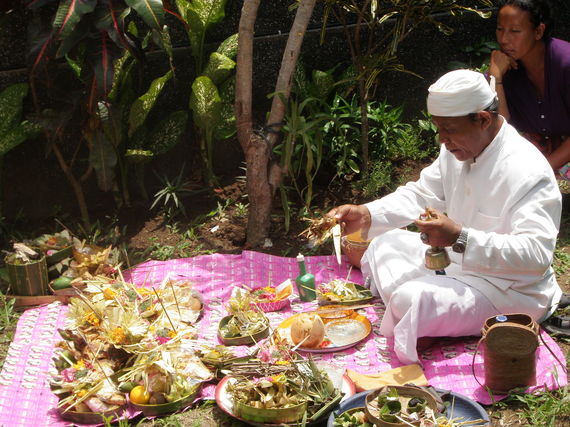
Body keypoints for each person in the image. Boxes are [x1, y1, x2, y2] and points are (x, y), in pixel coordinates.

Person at [328, 69, 562, 365]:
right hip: (454, 267)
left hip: (509, 290)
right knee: (384, 244)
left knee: (409, 299)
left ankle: (425, 318)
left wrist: (459, 237)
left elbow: (536, 256)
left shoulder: (528, 170)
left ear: (483, 119)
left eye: (449, 130)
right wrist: (367, 214)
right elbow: (421, 194)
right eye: (439, 129)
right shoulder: (455, 149)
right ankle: (433, 321)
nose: (443, 140)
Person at [489, 0, 570, 180]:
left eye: (515, 31)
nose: (503, 39)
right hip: (546, 142)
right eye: (500, 29)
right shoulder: (504, 67)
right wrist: (496, 77)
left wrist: (540, 170)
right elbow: (499, 125)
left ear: (539, 31)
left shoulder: (566, 63)